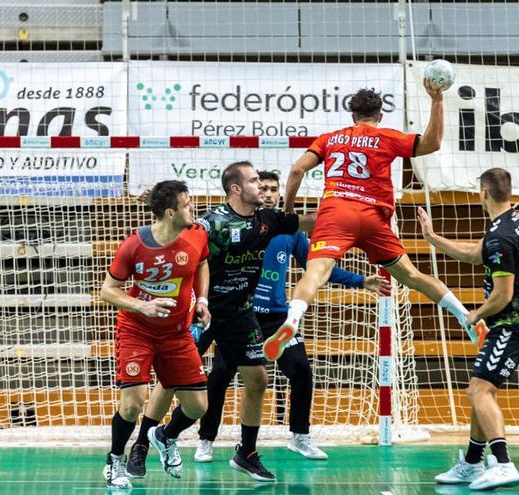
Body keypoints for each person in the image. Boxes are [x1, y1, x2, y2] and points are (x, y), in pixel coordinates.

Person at [263, 81, 472, 362]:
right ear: (380, 116)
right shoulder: (387, 136)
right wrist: (437, 101)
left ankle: (293, 320)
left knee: (315, 273)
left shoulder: (330, 138)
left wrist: (288, 210)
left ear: (352, 116)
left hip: (336, 213)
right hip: (373, 219)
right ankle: (466, 316)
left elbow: (297, 169)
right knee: (413, 277)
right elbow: (432, 143)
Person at [132, 161, 314, 483]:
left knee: (257, 380)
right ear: (236, 188)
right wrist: (155, 205)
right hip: (201, 309)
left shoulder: (268, 220)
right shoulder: (211, 224)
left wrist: (351, 216)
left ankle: (246, 452)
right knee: (172, 380)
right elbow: (175, 233)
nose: (262, 187)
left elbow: (309, 222)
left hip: (239, 313)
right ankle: (143, 441)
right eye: (255, 181)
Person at [192, 170, 389, 463]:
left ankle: (300, 437)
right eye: (263, 187)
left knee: (301, 370)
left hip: (275, 317)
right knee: (220, 376)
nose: (268, 193)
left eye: (273, 188)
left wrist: (361, 281)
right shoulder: (236, 226)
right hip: (239, 314)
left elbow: (319, 268)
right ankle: (206, 439)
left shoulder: (289, 233)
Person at [419, 168, 519, 491]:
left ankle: (502, 464)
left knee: (479, 390)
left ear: (484, 193)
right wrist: (433, 239)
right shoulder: (514, 220)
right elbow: (477, 254)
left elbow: (504, 294)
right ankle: (472, 463)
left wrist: (477, 314)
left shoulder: (501, 234)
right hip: (515, 321)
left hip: (515, 322)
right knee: (480, 389)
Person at [100, 180, 211, 489]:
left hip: (176, 334)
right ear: (169, 212)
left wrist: (201, 301)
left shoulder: (197, 234)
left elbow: (202, 263)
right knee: (133, 403)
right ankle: (114, 460)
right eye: (187, 205)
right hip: (138, 329)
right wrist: (140, 306)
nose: (193, 209)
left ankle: (164, 435)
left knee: (198, 407)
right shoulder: (134, 245)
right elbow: (108, 291)